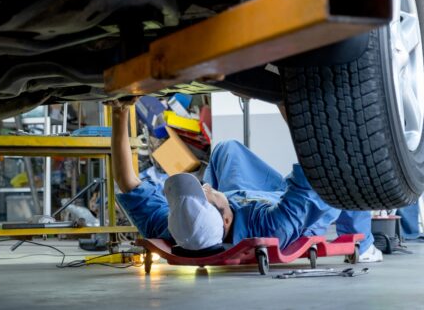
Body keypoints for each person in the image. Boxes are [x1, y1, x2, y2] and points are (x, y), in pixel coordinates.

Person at [110, 101, 383, 262]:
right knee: (346, 167)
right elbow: (313, 171)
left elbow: (127, 182)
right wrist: (288, 102)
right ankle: (366, 244)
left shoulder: (176, 228)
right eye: (206, 192)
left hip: (244, 197)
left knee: (226, 148)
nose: (205, 185)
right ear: (225, 220)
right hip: (293, 206)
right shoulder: (272, 227)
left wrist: (120, 111)